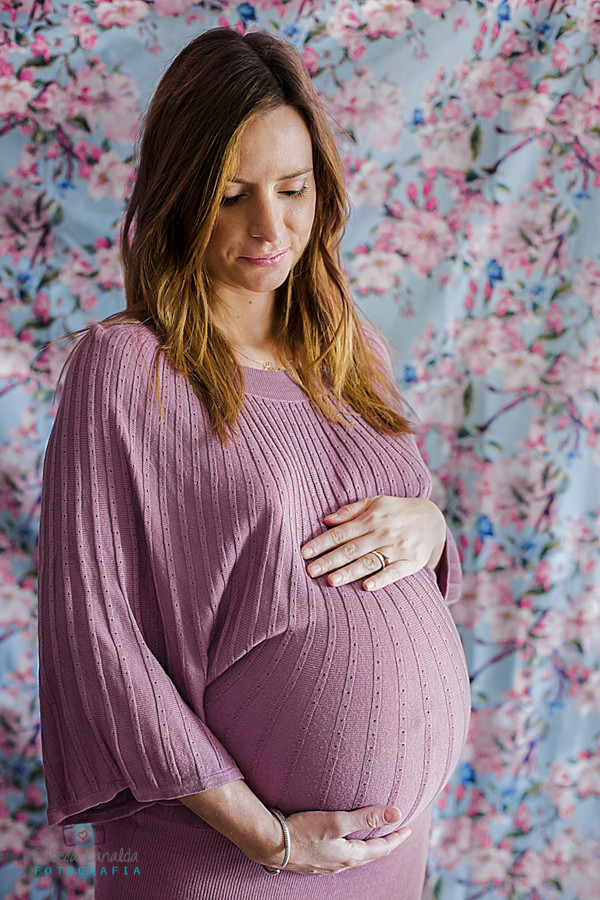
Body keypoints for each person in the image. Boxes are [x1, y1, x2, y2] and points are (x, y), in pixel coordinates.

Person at [37, 27, 471, 900]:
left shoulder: (354, 352)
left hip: (382, 854)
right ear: (178, 194)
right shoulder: (126, 369)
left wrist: (431, 526)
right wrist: (267, 838)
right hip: (226, 856)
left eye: (292, 188)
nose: (269, 228)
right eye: (231, 194)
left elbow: (409, 555)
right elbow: (95, 634)